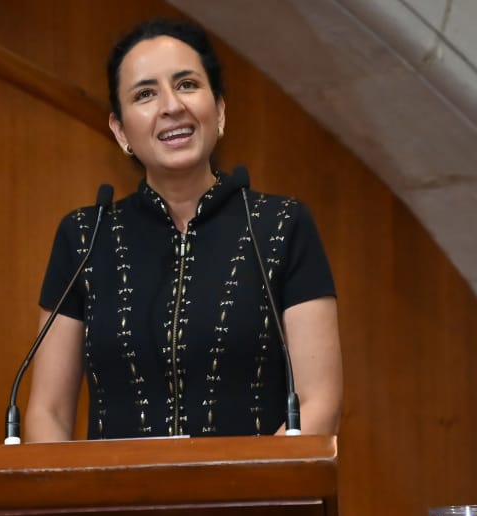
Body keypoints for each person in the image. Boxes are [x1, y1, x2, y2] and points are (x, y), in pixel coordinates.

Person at [23, 17, 342, 443]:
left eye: (187, 84)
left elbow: (318, 402)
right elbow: (48, 412)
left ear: (219, 110)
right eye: (145, 94)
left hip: (258, 487)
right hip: (115, 489)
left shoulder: (281, 224)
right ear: (120, 130)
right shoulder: (85, 235)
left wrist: (251, 480)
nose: (172, 106)